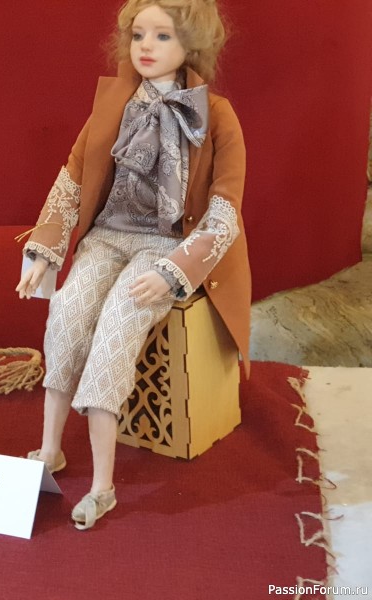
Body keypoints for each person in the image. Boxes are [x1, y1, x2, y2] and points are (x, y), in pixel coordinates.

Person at [16, 0, 250, 529]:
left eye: (163, 36)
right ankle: (49, 449)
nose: (146, 46)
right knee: (68, 313)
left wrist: (175, 269)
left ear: (192, 44)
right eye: (139, 34)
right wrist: (43, 250)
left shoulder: (215, 115)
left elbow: (224, 209)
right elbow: (73, 178)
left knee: (117, 327)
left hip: (164, 243)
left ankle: (103, 486)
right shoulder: (115, 101)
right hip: (106, 236)